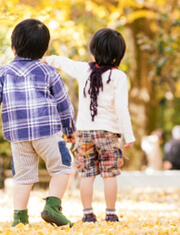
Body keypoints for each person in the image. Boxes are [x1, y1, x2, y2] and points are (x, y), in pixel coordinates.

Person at [0, 19, 75, 227]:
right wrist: (69, 129)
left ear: (14, 46)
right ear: (44, 49)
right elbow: (64, 103)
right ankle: (53, 207)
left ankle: (19, 219)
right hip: (47, 132)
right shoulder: (50, 72)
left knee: (22, 177)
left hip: (18, 137)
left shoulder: (2, 73)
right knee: (63, 167)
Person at [42, 28, 135, 223]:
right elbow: (121, 108)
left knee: (87, 174)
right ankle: (110, 213)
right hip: (109, 132)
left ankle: (87, 213)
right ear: (119, 54)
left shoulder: (84, 69)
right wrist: (129, 135)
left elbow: (63, 62)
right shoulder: (119, 77)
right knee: (109, 174)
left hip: (84, 132)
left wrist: (47, 59)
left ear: (93, 50)